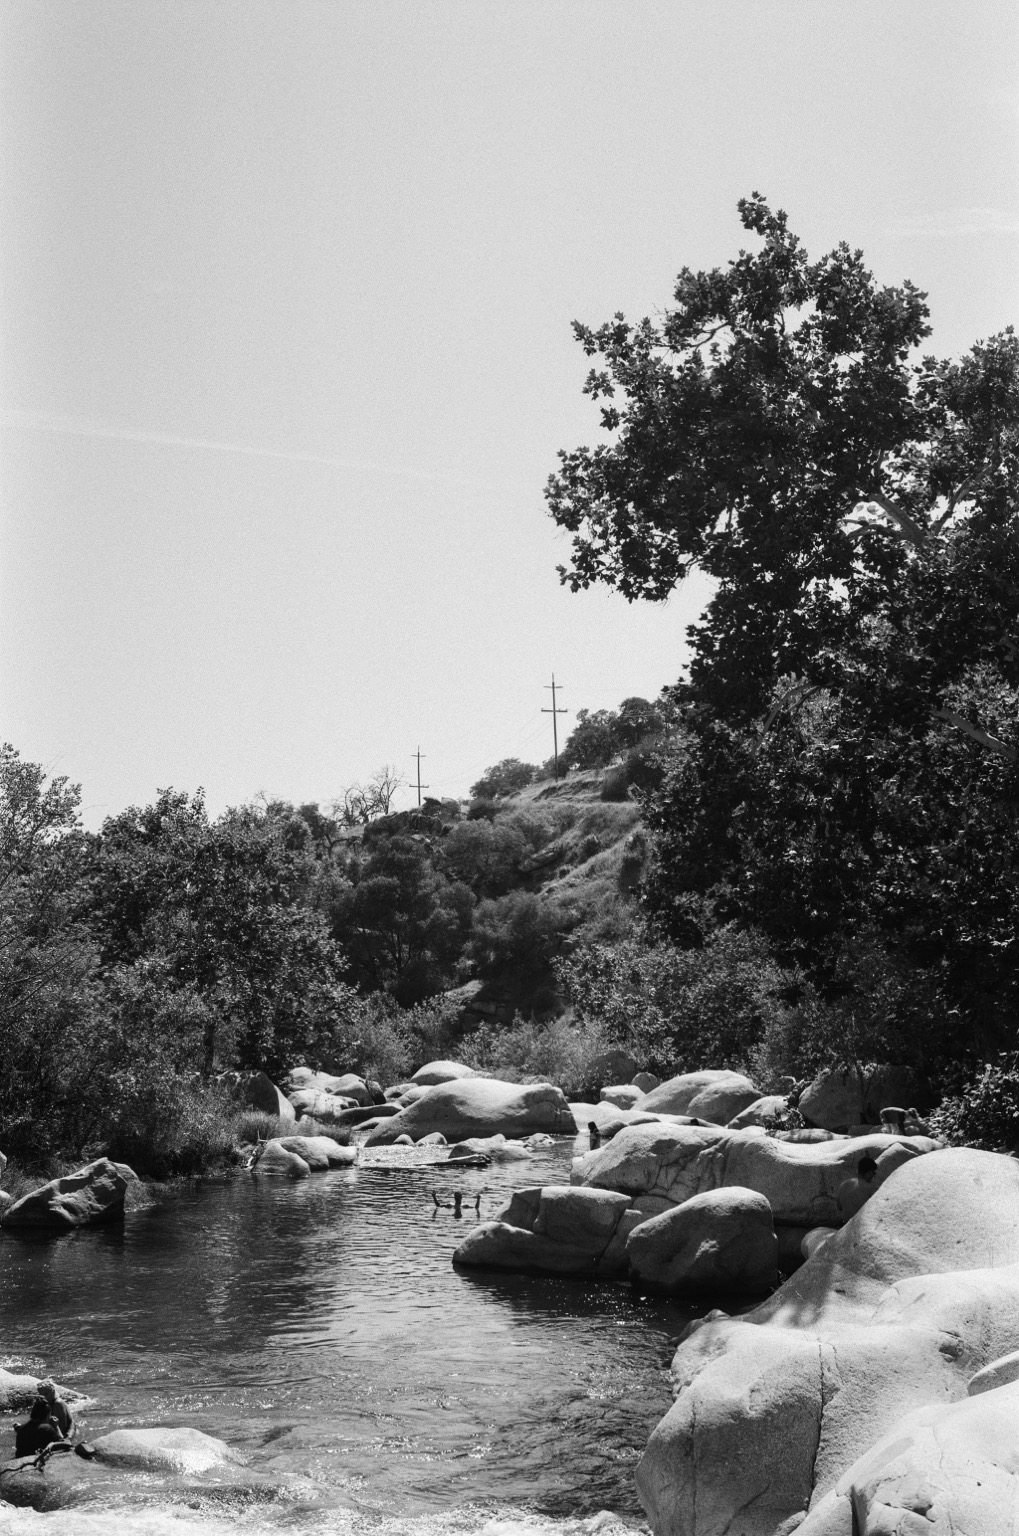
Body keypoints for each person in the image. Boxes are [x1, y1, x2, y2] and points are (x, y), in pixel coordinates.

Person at [836, 1155, 879, 1222]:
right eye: (874, 1173)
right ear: (870, 1172)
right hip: (863, 1226)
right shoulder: (871, 1190)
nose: (874, 1176)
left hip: (845, 1227)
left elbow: (839, 1207)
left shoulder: (844, 1185)